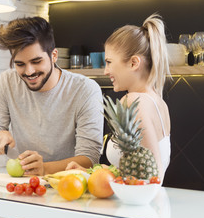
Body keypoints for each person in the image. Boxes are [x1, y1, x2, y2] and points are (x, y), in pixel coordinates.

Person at [0, 17, 103, 176]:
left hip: (69, 186)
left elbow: (90, 159)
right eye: (20, 64)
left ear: (54, 55)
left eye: (36, 61)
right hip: (22, 185)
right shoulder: (7, 81)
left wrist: (44, 168)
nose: (29, 71)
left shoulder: (85, 89)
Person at [67, 14, 171, 180]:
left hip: (134, 202)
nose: (105, 71)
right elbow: (133, 170)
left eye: (109, 62)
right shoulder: (158, 102)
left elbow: (152, 177)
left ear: (133, 63)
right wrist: (88, 173)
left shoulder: (134, 101)